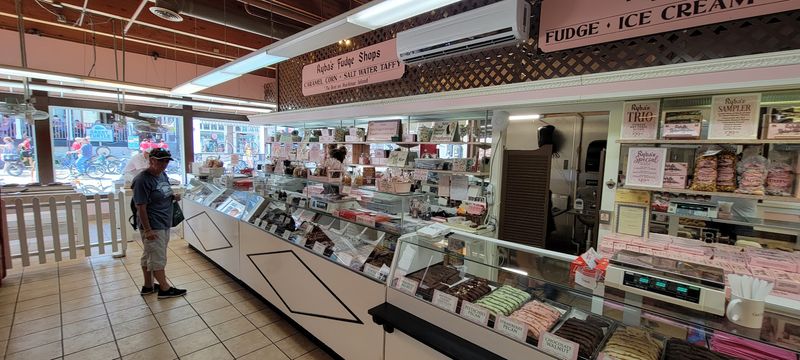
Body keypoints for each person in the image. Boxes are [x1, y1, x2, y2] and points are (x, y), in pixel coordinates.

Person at [132, 148, 186, 299]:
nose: (164, 164)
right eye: (161, 161)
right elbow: (140, 207)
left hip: (164, 221)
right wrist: (148, 230)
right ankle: (164, 288)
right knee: (158, 257)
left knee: (149, 255)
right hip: (153, 224)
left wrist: (172, 196)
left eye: (166, 161)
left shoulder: (162, 175)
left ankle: (148, 286)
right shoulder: (142, 180)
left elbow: (162, 192)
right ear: (151, 160)